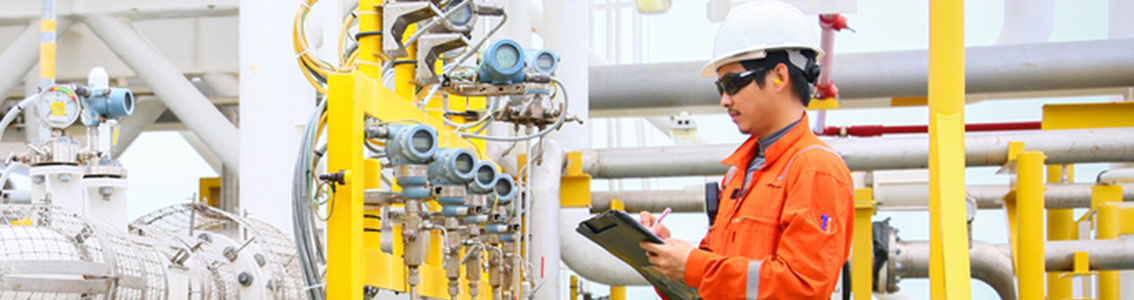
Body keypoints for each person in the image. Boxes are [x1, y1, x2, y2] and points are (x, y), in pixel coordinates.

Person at [638, 1, 854, 299]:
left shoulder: (815, 168)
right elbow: (712, 284)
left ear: (779, 76)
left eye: (732, 84)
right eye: (720, 88)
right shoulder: (740, 174)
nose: (725, 100)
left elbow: (803, 288)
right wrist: (669, 258)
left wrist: (696, 266)